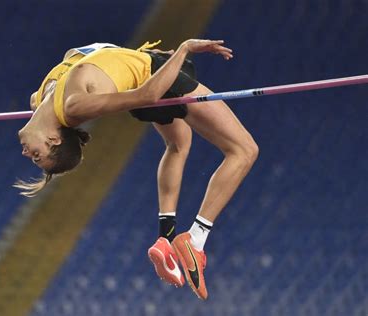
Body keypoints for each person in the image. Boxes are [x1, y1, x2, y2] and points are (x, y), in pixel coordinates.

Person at [16, 39, 258, 300]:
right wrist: (184, 49)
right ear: (54, 139)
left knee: (178, 143)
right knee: (244, 150)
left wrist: (131, 56)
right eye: (36, 156)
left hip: (143, 74)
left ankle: (165, 237)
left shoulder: (39, 99)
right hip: (153, 81)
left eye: (34, 156)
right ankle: (196, 239)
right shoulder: (73, 105)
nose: (25, 153)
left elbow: (82, 53)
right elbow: (148, 95)